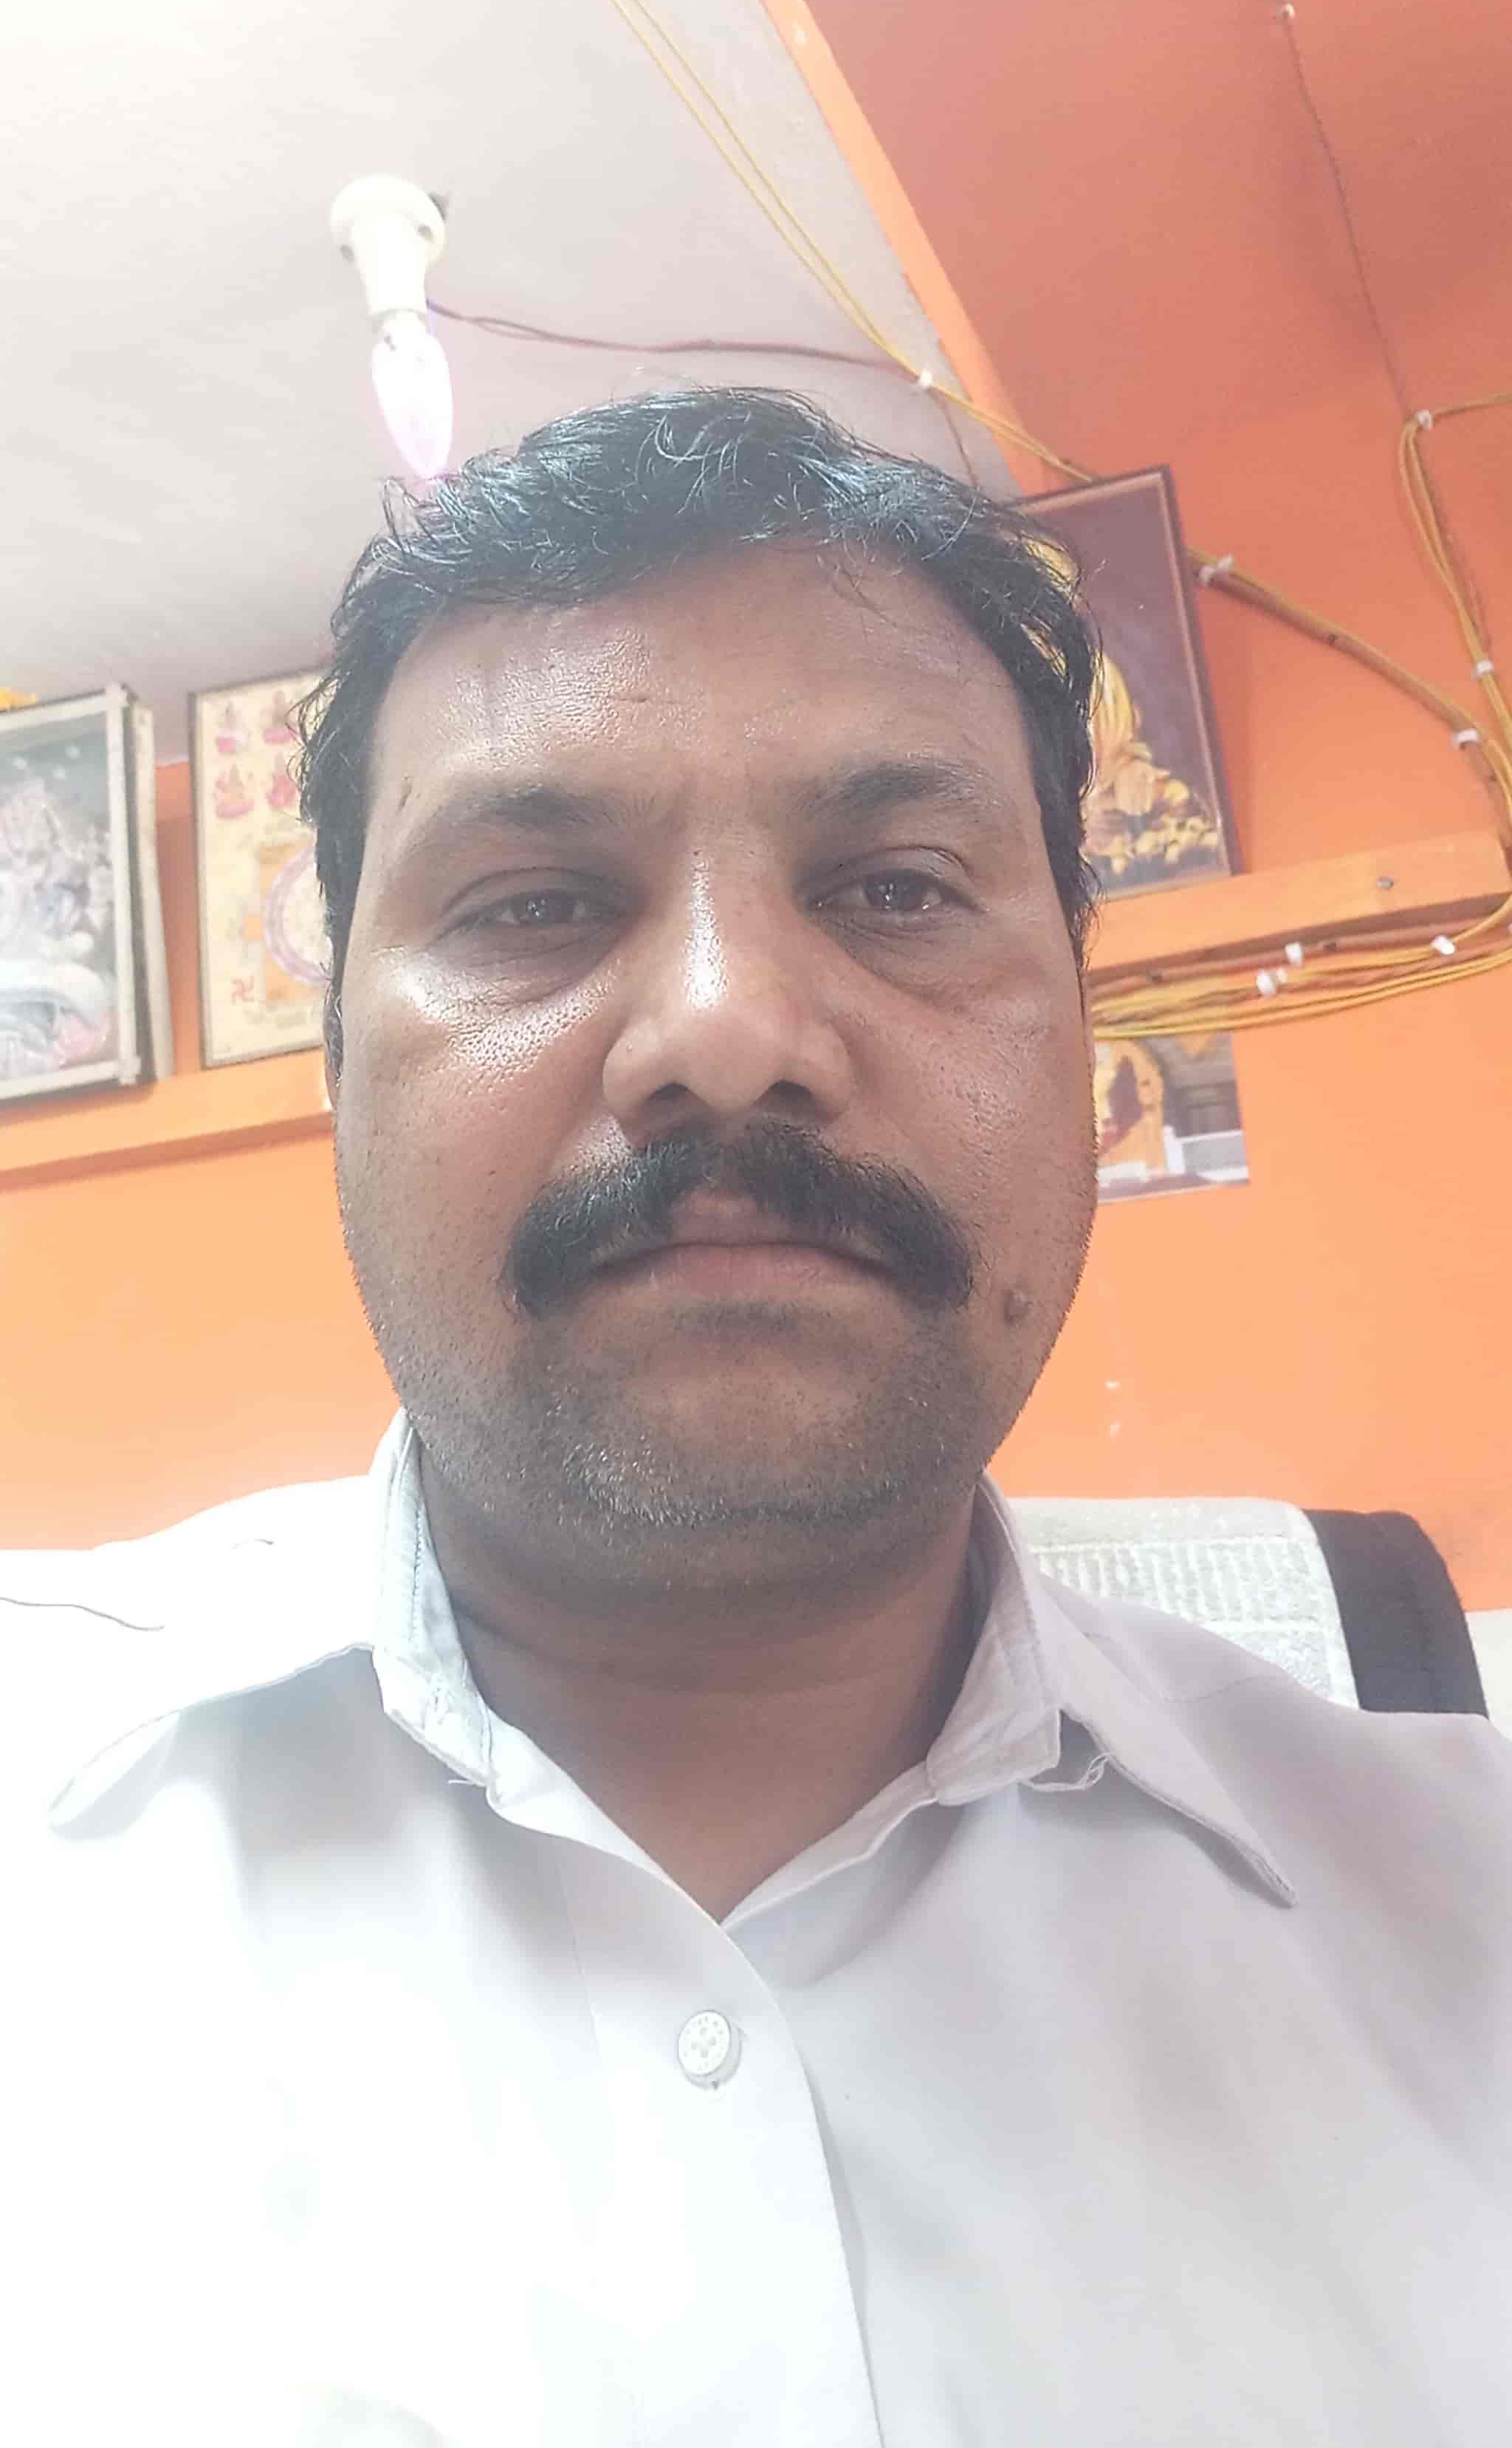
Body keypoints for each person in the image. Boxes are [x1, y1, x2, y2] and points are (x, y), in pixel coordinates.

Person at [2, 388, 1508, 2448]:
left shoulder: (1469, 1925)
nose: (725, 1031)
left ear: (1084, 1026)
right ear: (336, 1068)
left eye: (895, 888)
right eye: (535, 901)